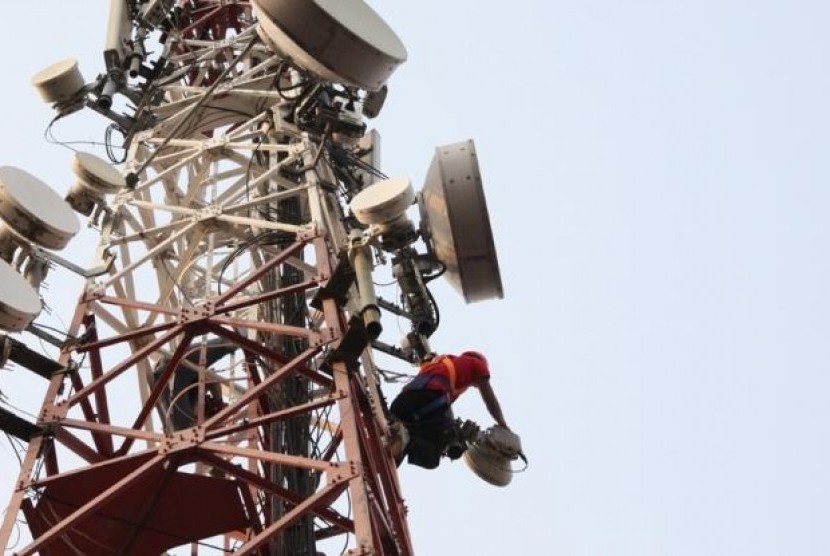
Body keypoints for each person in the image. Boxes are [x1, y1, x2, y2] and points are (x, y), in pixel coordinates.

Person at [389, 350, 508, 469]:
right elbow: (489, 398)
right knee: (446, 439)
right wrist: (501, 422)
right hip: (426, 400)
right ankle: (405, 443)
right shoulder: (476, 363)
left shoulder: (441, 362)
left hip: (402, 404)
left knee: (424, 454)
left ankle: (399, 445)